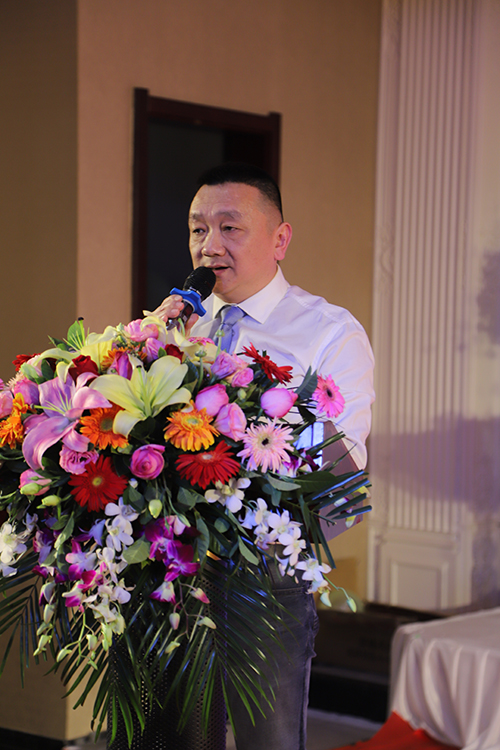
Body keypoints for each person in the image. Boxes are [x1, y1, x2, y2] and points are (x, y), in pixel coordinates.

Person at [153, 163, 375, 750]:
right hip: (174, 572)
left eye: (230, 227)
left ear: (280, 240)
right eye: (198, 229)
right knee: (178, 738)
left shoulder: (329, 333)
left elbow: (341, 481)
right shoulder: (181, 326)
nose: (209, 245)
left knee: (268, 741)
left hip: (266, 577)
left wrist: (253, 424)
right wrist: (148, 353)